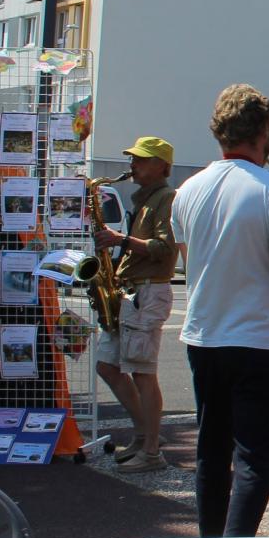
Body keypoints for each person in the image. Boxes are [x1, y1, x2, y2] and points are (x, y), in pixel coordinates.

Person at [172, 85, 269, 537]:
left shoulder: (187, 190)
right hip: (257, 341)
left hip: (203, 337)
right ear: (265, 132)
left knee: (211, 454)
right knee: (254, 459)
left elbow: (187, 259)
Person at [94, 136, 178, 473]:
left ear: (162, 166)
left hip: (149, 292)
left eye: (141, 160)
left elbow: (163, 248)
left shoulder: (167, 198)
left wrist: (120, 240)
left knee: (144, 372)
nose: (133, 165)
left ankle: (153, 451)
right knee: (108, 366)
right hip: (130, 292)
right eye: (133, 159)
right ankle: (144, 436)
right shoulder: (144, 198)